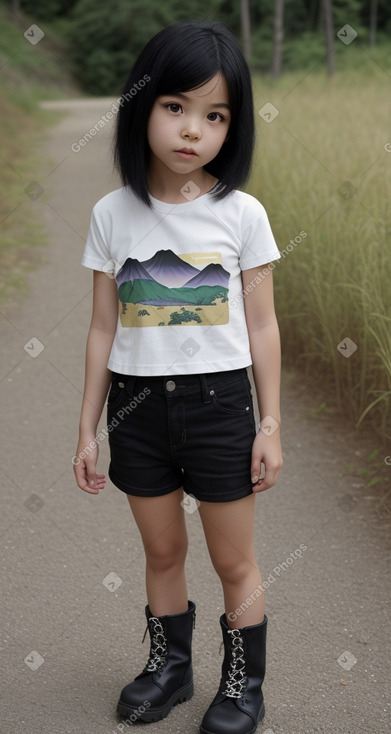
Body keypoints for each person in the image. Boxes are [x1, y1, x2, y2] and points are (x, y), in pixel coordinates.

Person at [74, 19, 283, 734]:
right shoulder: (112, 213)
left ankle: (242, 685)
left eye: (215, 114)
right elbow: (103, 327)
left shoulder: (241, 215)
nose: (193, 130)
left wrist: (271, 425)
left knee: (234, 561)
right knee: (162, 549)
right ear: (142, 106)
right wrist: (86, 429)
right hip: (136, 405)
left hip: (221, 404)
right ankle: (169, 669)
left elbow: (261, 327)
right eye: (175, 107)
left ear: (233, 126)